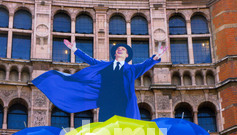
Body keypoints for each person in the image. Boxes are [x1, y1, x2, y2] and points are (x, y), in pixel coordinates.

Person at [33, 40, 167, 122]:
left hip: (123, 103)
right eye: (119, 49)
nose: (120, 49)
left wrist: (156, 57)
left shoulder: (132, 69)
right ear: (115, 53)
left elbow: (145, 65)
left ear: (127, 56)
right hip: (106, 102)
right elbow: (90, 61)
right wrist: (74, 50)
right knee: (106, 130)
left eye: (124, 50)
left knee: (123, 132)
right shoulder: (104, 65)